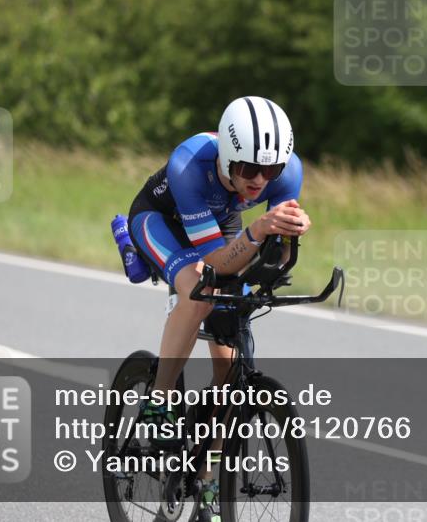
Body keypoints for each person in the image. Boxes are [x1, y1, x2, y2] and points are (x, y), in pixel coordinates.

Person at [126, 96, 311, 518]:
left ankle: (208, 476)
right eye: (248, 169)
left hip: (221, 224)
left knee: (230, 362)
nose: (261, 181)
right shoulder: (190, 163)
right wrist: (260, 230)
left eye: (272, 171)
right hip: (163, 220)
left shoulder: (288, 172)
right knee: (197, 291)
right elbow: (213, 267)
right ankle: (158, 402)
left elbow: (273, 255)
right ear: (227, 159)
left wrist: (287, 240)